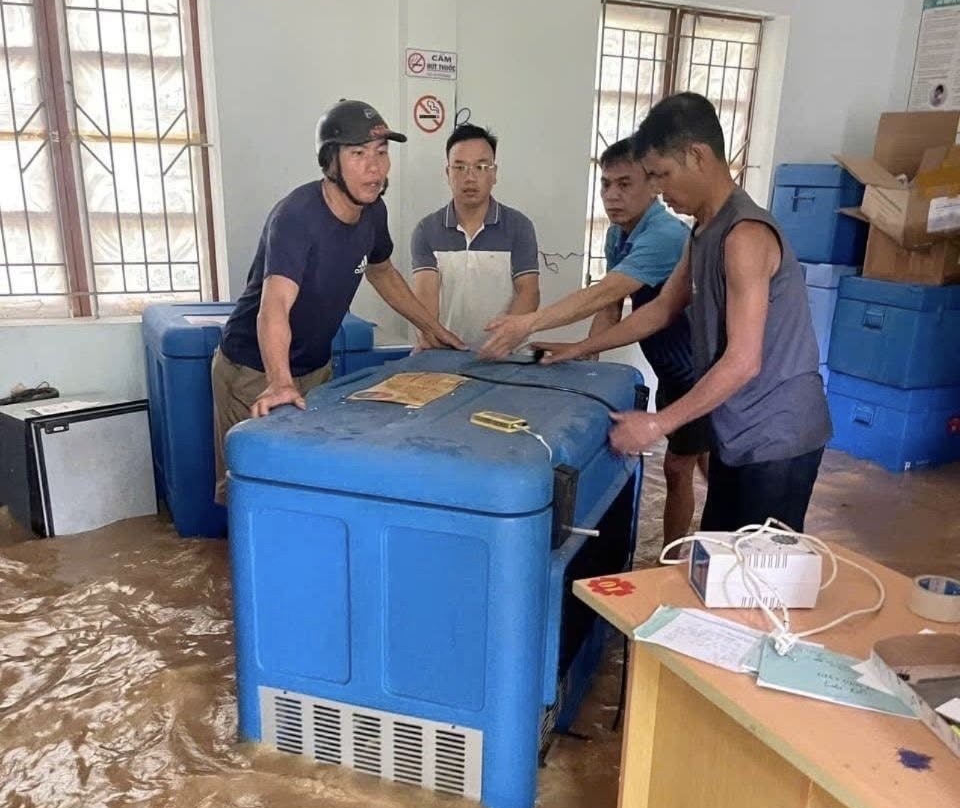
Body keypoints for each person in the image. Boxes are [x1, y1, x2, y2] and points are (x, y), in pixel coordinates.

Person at [534, 92, 832, 533]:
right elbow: (662, 310)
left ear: (697, 156)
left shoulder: (745, 235)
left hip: (777, 435)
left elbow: (743, 361)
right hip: (736, 426)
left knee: (756, 566)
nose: (657, 189)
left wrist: (657, 423)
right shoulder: (704, 229)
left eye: (661, 175)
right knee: (720, 553)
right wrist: (579, 348)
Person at [212, 99, 465, 504]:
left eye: (381, 152)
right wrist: (280, 381)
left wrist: (433, 329)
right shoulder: (297, 217)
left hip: (315, 367)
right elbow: (274, 305)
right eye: (359, 154)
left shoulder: (373, 211)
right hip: (255, 369)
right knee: (254, 493)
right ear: (331, 161)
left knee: (309, 483)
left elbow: (382, 271)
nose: (375, 168)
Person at [480, 138, 709, 546]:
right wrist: (586, 365)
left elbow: (604, 292)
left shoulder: (664, 235)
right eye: (605, 184)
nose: (612, 195)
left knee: (678, 467)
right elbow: (610, 307)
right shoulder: (617, 235)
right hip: (672, 368)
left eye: (625, 184)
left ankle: (671, 559)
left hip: (701, 369)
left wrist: (528, 323)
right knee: (702, 458)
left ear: (653, 185)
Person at [411, 123, 540, 347]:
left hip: (506, 354)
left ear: (494, 173)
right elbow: (425, 304)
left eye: (480, 167)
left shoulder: (519, 227)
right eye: (460, 167)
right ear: (447, 173)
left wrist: (502, 342)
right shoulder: (427, 230)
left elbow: (529, 292)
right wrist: (432, 340)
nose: (470, 177)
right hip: (445, 352)